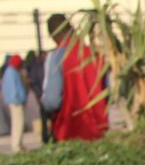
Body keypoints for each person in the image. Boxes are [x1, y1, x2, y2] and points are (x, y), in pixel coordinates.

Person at [41, 13, 109, 142]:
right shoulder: (94, 54)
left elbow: (52, 101)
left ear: (53, 35)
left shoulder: (56, 57)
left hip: (70, 130)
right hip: (99, 128)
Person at [0, 56, 29, 152]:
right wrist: (18, 100)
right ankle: (16, 146)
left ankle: (18, 144)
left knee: (18, 123)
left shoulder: (11, 72)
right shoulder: (11, 73)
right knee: (18, 123)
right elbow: (13, 90)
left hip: (15, 101)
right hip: (16, 102)